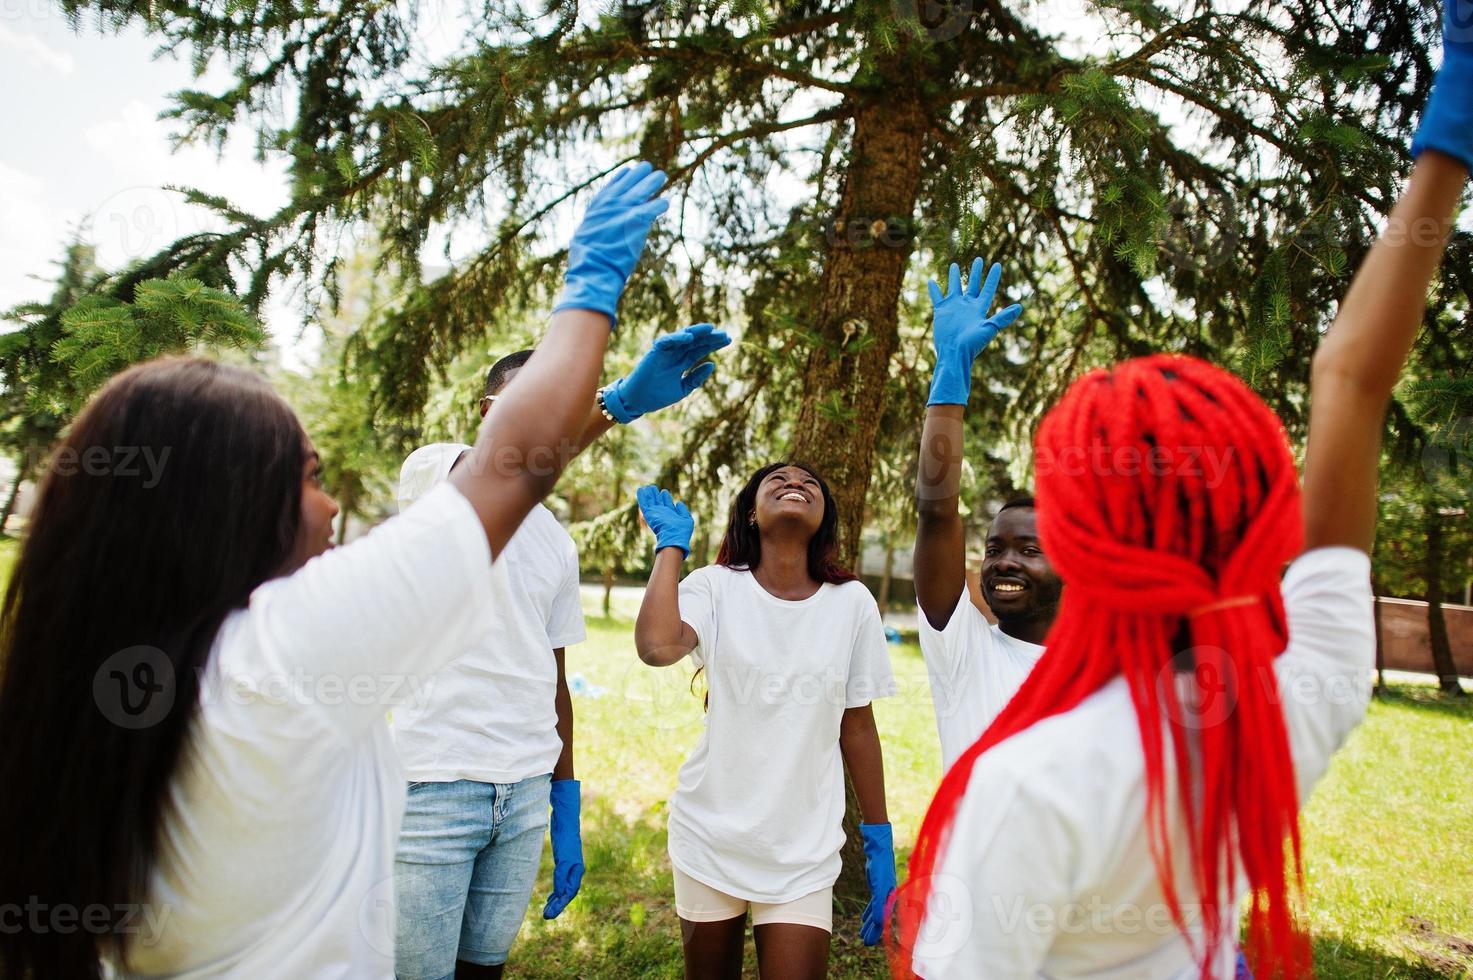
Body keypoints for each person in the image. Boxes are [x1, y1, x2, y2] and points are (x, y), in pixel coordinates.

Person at [895, 7, 1473, 974]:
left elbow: (1349, 385)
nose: (1000, 557)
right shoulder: (1286, 705)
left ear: (1077, 549)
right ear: (1257, 529)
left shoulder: (1031, 784)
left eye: (1028, 539)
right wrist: (1446, 139)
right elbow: (1352, 382)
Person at [0, 161, 670, 979]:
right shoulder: (283, 658)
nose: (328, 511)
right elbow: (509, 467)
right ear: (226, 513)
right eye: (309, 478)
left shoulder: (100, 691)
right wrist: (591, 283)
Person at [391, 322, 730, 980]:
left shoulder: (554, 540)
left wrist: (564, 797)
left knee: (481, 969)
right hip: (434, 783)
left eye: (562, 402)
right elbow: (514, 460)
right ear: (491, 412)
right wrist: (616, 405)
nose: (552, 416)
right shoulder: (436, 471)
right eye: (535, 399)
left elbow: (554, 676)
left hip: (521, 790)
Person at [633, 465, 897, 979]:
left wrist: (879, 839)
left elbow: (858, 725)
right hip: (709, 836)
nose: (794, 481)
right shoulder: (714, 588)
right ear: (752, 513)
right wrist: (671, 549)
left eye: (810, 482)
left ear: (824, 519)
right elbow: (657, 646)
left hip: (804, 850)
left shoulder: (852, 603)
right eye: (775, 479)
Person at [913, 262, 1062, 767]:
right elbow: (937, 513)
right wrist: (949, 379)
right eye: (994, 549)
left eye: (1031, 550)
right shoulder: (964, 651)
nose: (1004, 562)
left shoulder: (1106, 672)